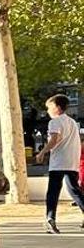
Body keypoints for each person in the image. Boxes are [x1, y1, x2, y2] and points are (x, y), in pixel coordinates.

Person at [35, 94, 84, 234]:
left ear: (57, 107)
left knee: (53, 192)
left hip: (58, 162)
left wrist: (42, 152)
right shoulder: (72, 122)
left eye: (49, 108)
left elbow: (54, 139)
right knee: (74, 190)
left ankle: (50, 218)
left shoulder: (55, 122)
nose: (48, 111)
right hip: (71, 161)